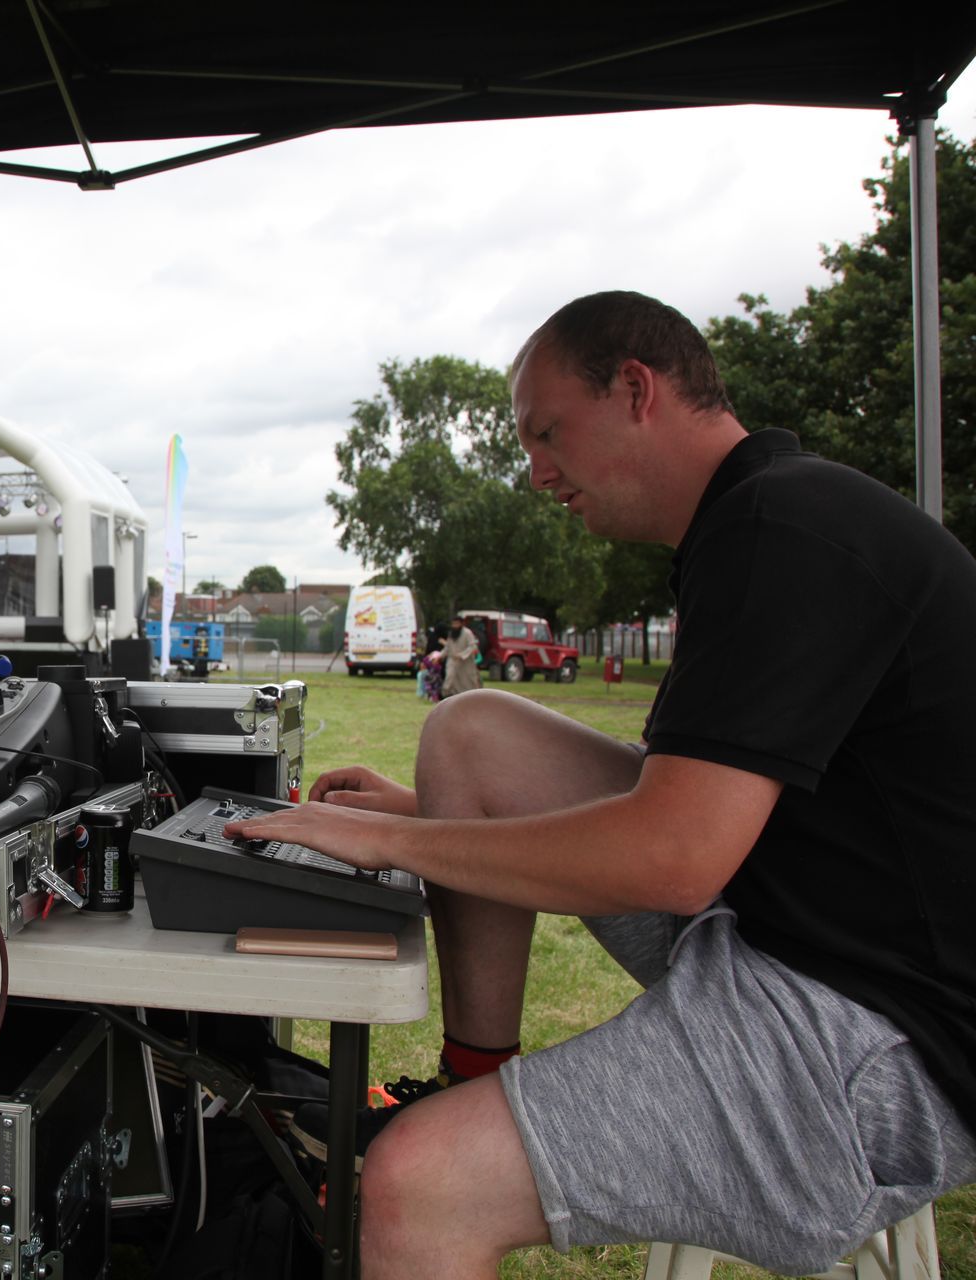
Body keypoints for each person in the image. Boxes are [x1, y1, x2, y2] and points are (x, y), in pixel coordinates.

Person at [226, 291, 976, 1279]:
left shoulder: (783, 529)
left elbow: (670, 855)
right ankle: (467, 1075)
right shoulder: (763, 515)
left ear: (635, 389)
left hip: (882, 1041)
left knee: (414, 1181)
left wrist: (395, 844)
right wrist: (434, 810)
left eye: (548, 433)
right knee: (473, 734)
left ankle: (436, 1138)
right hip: (800, 931)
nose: (537, 473)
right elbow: (726, 809)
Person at [439, 614, 481, 698]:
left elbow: (472, 646)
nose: (455, 625)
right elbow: (447, 647)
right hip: (452, 661)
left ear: (461, 624)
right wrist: (440, 656)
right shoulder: (451, 634)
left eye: (457, 623)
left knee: (466, 682)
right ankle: (446, 697)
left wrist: (461, 655)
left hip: (466, 663)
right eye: (453, 623)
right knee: (450, 678)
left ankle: (469, 698)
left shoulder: (467, 633)